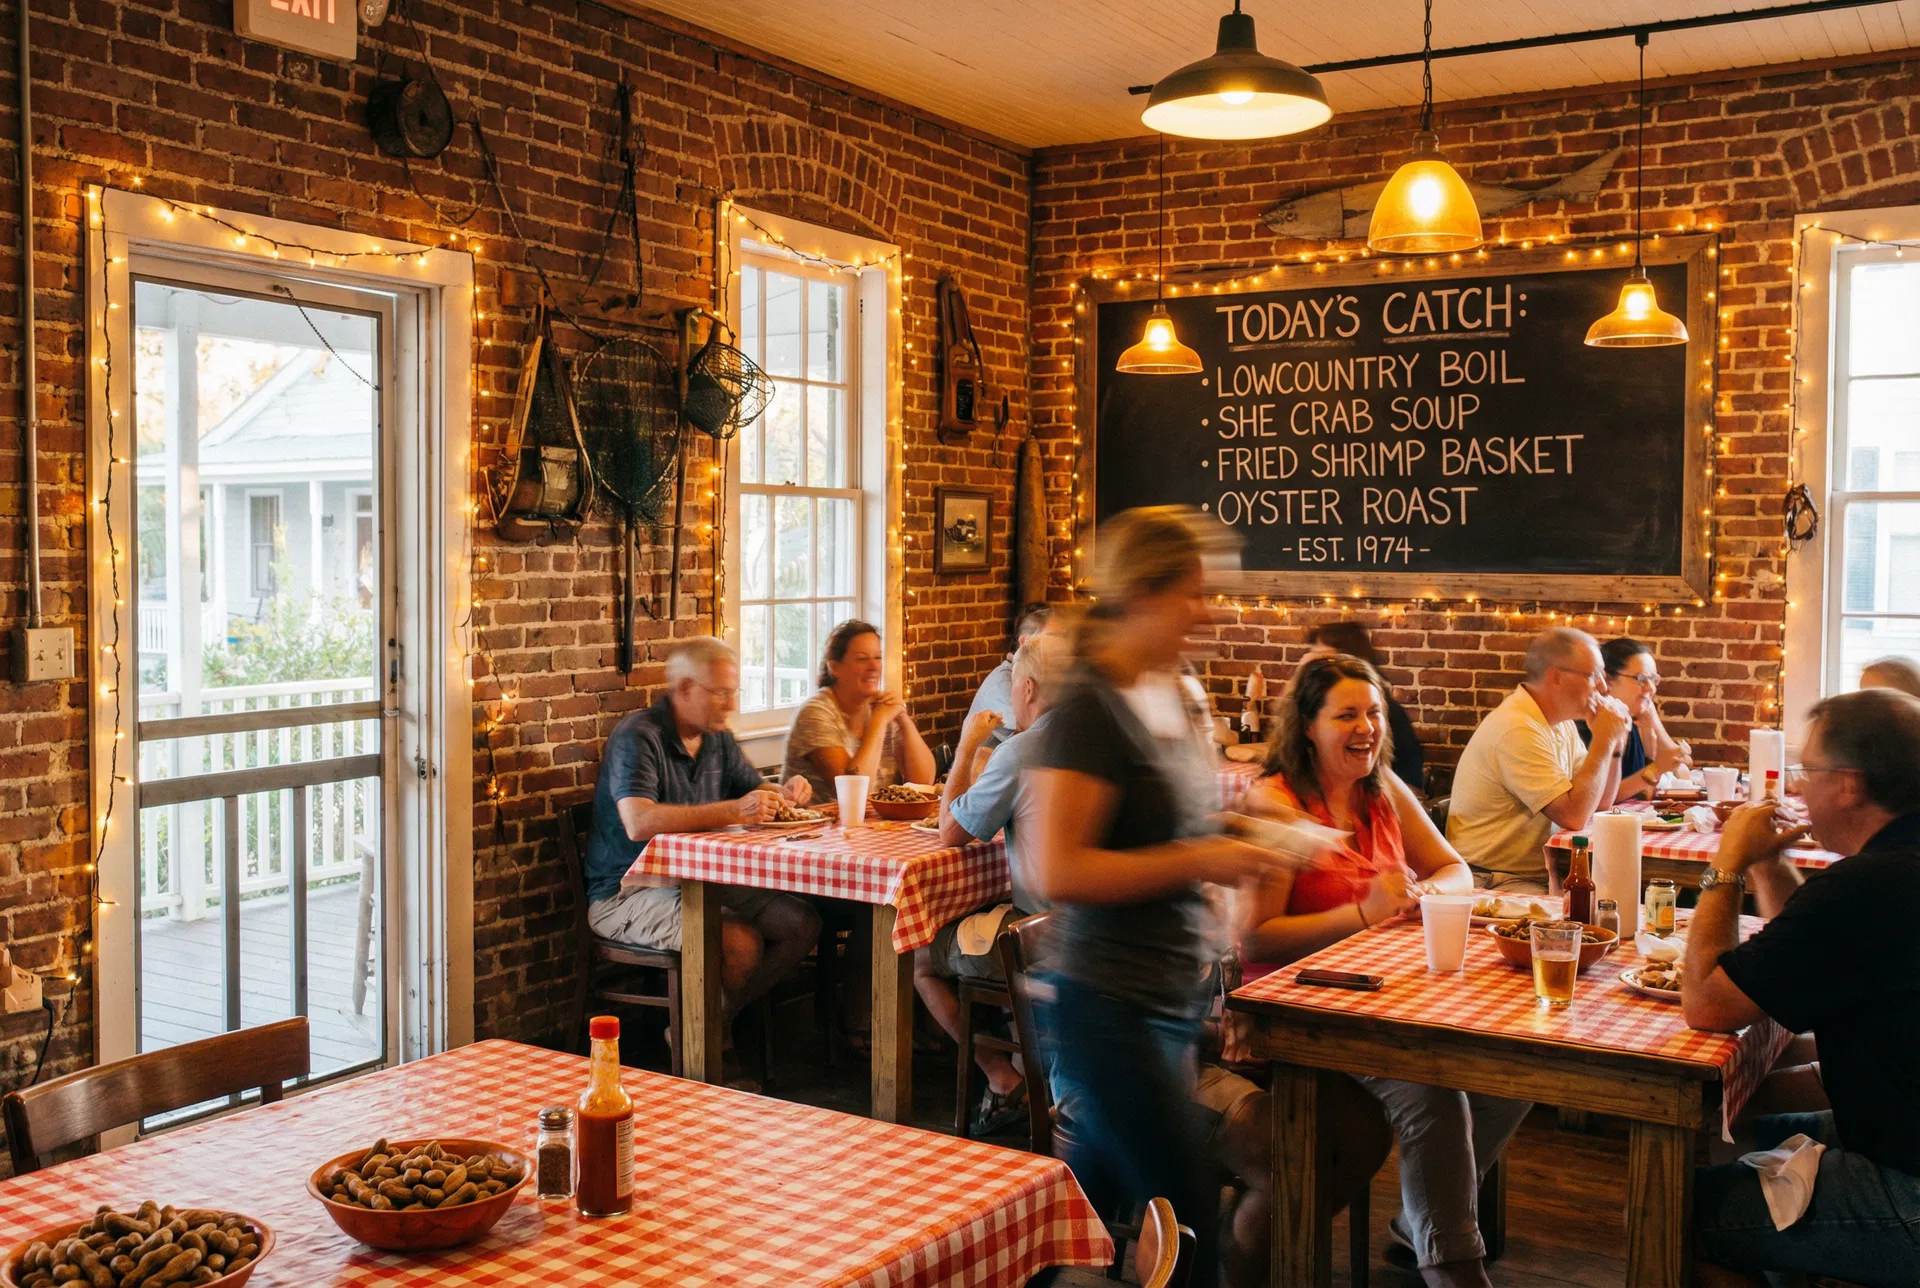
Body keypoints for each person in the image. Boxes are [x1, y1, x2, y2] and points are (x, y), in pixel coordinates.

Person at [1025, 506, 1318, 1285]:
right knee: (1183, 1214)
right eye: (1194, 593)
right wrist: (1205, 856)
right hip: (1106, 1004)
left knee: (1102, 1220)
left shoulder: (1161, 693)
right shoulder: (1090, 708)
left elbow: (1168, 822)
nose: (1207, 610)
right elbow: (1059, 868)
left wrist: (1251, 837)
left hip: (1164, 997)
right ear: (1144, 594)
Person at [1240, 655, 1526, 1288]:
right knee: (1431, 1087)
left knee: (1514, 1064)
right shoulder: (1276, 802)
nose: (1366, 726)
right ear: (1308, 727)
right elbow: (1255, 936)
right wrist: (1362, 913)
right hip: (1296, 1007)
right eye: (1346, 714)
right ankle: (1454, 1267)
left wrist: (1423, 891)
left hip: (1387, 990)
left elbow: (1456, 869)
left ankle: (1424, 1220)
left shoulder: (1383, 789)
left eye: (1373, 712)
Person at [1683, 688, 1920, 1288]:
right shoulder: (1888, 872)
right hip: (1896, 1127)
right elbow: (1814, 949)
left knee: (1677, 1210)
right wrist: (1767, 861)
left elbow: (1707, 1004)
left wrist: (1729, 862)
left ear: (1849, 784)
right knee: (1735, 1137)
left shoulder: (1865, 886)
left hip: (1909, 1182)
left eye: (1805, 771)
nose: (1797, 788)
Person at [583, 637, 822, 1024]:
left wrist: (786, 792)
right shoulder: (638, 736)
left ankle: (710, 1023)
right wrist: (733, 810)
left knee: (801, 924)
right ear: (685, 689)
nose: (731, 704)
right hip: (626, 892)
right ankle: (709, 1052)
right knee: (739, 942)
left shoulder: (717, 737)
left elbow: (753, 790)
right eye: (721, 693)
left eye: (733, 692)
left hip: (701, 880)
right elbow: (638, 821)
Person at [915, 631, 1069, 1136]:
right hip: (1092, 929)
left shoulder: (1022, 751)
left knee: (918, 956)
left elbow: (950, 832)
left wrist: (964, 748)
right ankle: (1027, 1063)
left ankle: (1001, 1077)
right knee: (983, 925)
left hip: (1043, 938)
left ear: (1025, 688)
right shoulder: (1101, 740)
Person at [1446, 627, 1632, 892]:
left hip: (1538, 874)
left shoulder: (1558, 722)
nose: (1603, 686)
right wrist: (1603, 741)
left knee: (1617, 903)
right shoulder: (1517, 727)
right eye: (1594, 675)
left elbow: (1598, 803)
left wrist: (1613, 745)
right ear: (1555, 676)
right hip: (1491, 880)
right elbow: (1574, 816)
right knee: (1591, 917)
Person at [782, 619, 937, 804]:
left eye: (878, 657)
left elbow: (924, 781)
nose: (873, 667)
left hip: (875, 826)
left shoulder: (882, 708)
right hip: (819, 829)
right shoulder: (816, 713)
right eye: (862, 659)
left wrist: (903, 719)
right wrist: (879, 721)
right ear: (835, 667)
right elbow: (853, 793)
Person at [1302, 620, 1425, 791]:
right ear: (1308, 726)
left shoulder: (1390, 712)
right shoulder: (1314, 708)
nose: (1366, 727)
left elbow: (1411, 783)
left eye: (1324, 660)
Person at [1577, 637, 1691, 803]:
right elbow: (1600, 799)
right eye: (1641, 679)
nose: (1651, 688)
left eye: (1654, 680)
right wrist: (1655, 768)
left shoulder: (1631, 720)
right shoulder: (1588, 726)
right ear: (1608, 680)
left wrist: (1652, 720)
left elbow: (1679, 765)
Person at [964, 602, 1055, 748]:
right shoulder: (1001, 686)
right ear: (1025, 642)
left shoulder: (1040, 679)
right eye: (1053, 639)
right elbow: (1036, 741)